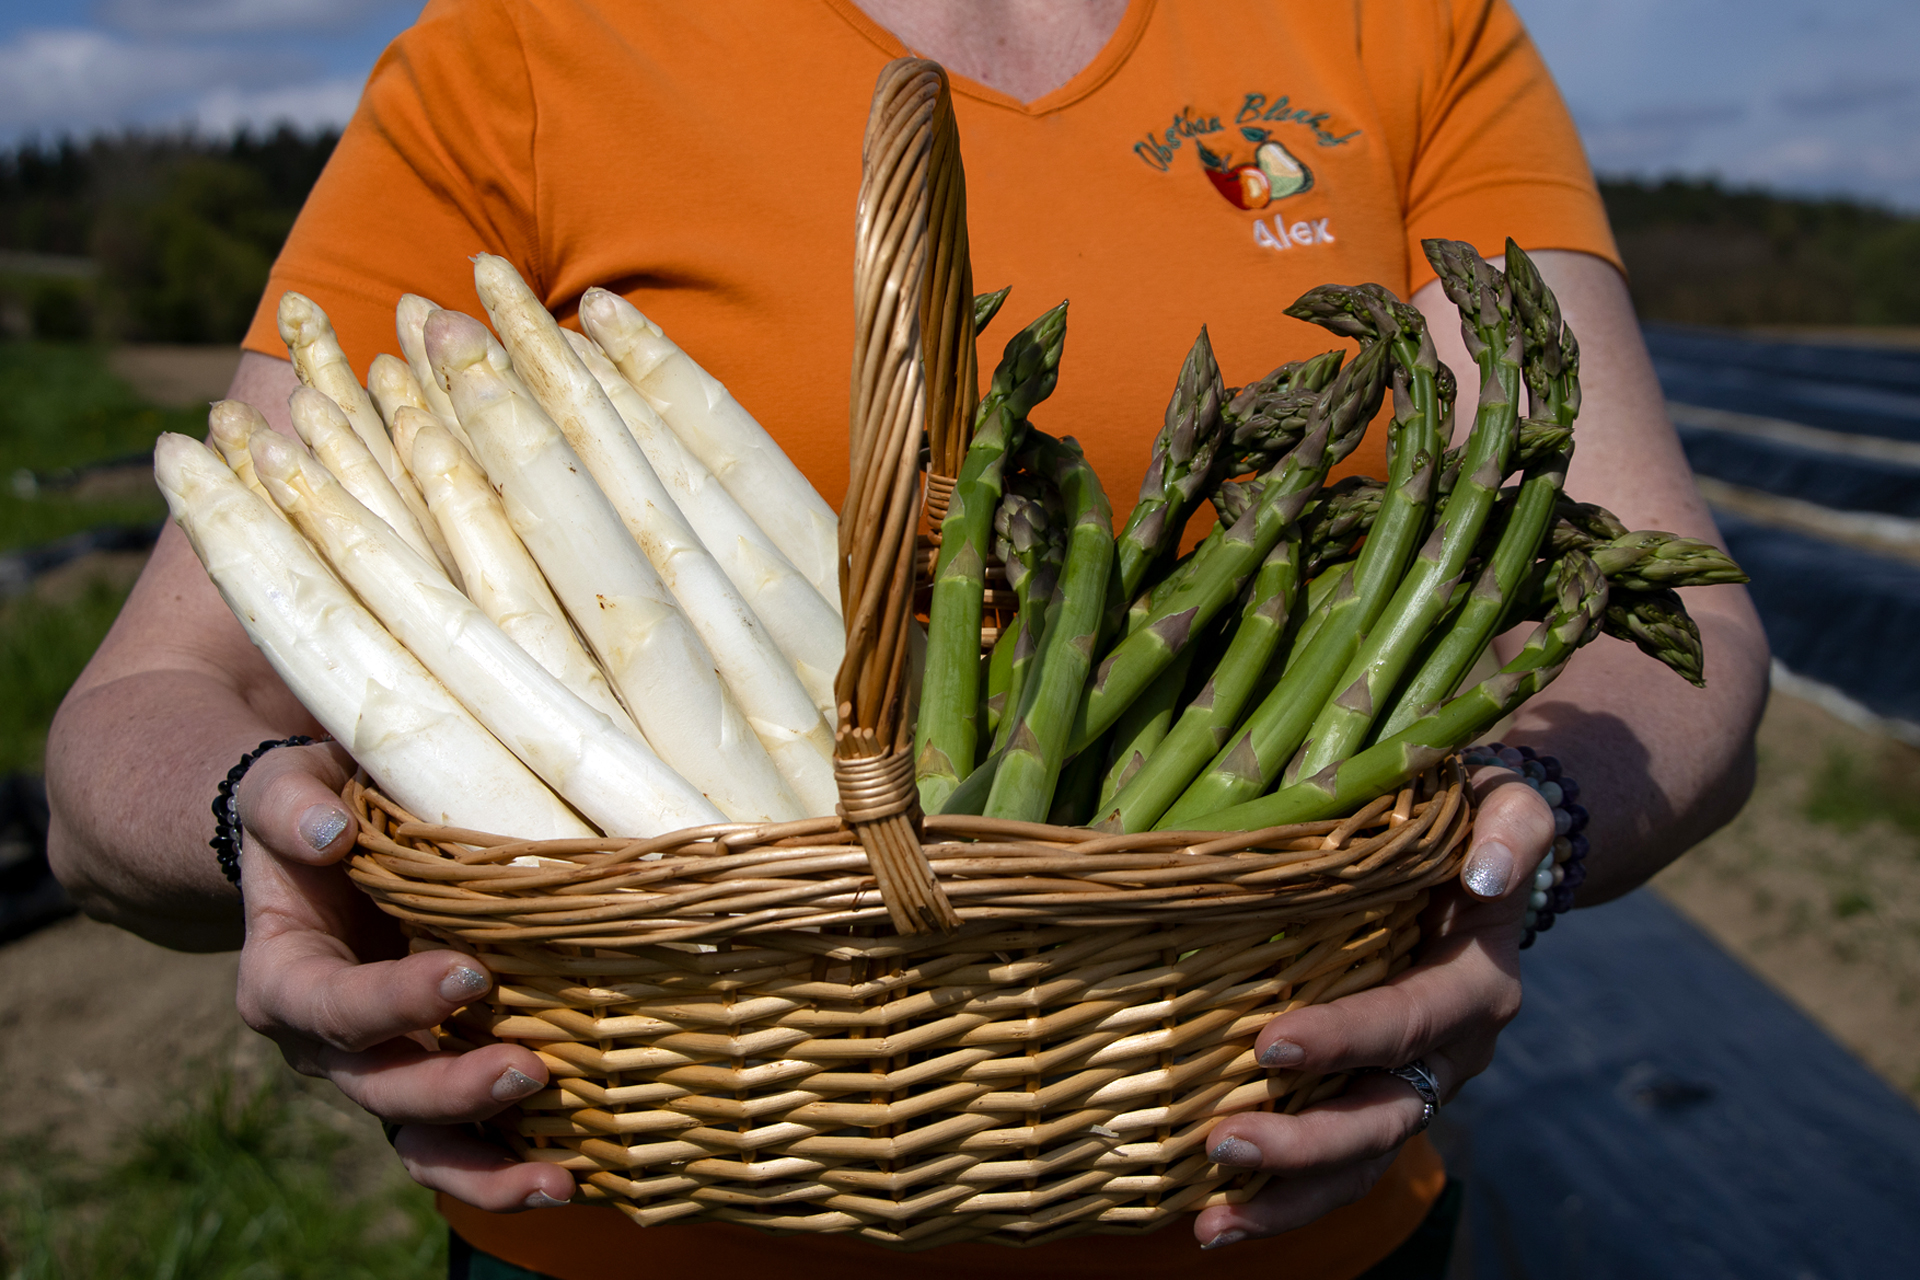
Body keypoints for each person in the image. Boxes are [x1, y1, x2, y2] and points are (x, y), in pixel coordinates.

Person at [45, 1, 1768, 1277]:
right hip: (634, 1232)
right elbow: (139, 710)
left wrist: (1514, 844)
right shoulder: (525, 48)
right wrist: (261, 825)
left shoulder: (1406, 24)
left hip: (1272, 1217)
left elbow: (1666, 598)